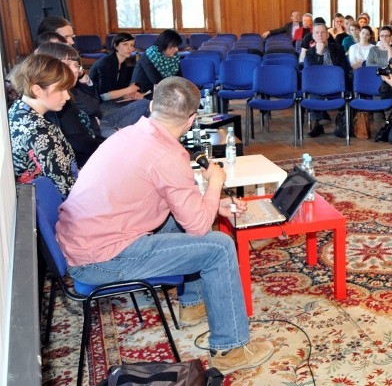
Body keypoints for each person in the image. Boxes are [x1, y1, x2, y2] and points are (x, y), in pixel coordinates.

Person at [56, 76, 274, 373]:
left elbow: (169, 198)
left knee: (179, 218)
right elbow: (198, 226)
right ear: (192, 119)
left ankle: (193, 303)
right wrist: (216, 185)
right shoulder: (168, 154)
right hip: (99, 259)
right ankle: (232, 348)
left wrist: (211, 204)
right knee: (219, 247)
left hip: (83, 241)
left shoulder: (129, 133)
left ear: (153, 105)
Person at [8, 54, 77, 197]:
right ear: (37, 90)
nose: (67, 96)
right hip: (47, 199)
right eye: (60, 90)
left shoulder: (19, 108)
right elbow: (66, 189)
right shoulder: (40, 133)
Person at [304, 21, 347, 138]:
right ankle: (319, 123)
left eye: (323, 32)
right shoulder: (309, 53)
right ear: (313, 36)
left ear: (328, 35)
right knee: (312, 90)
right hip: (318, 84)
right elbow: (310, 74)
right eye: (317, 32)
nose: (320, 35)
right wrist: (318, 53)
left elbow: (344, 68)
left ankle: (336, 123)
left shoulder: (338, 49)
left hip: (336, 83)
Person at [88, 32, 146, 107]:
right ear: (116, 46)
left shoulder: (122, 63)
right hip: (97, 103)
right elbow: (104, 96)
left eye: (131, 45)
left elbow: (118, 90)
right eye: (125, 44)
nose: (129, 48)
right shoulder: (106, 63)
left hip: (110, 101)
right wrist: (129, 90)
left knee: (143, 103)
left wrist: (130, 94)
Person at [131, 29, 182, 94]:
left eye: (177, 46)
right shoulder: (149, 56)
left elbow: (179, 77)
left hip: (161, 90)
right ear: (164, 44)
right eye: (174, 46)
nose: (176, 49)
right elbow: (157, 80)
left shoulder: (174, 57)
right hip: (141, 92)